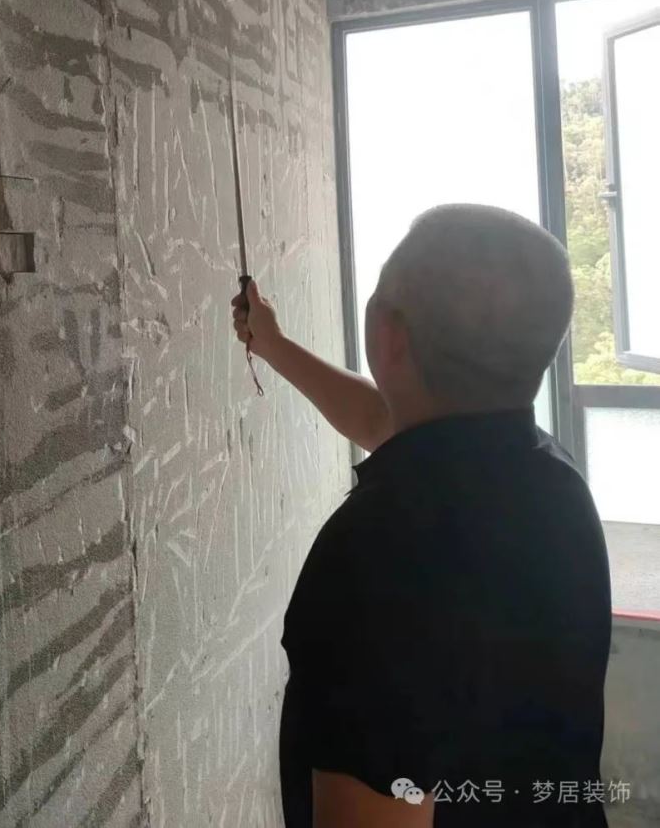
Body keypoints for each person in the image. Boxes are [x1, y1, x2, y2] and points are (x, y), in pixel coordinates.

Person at [231, 205, 611, 827]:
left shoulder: (375, 552)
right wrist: (272, 346)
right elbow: (382, 419)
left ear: (386, 334)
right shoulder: (550, 480)